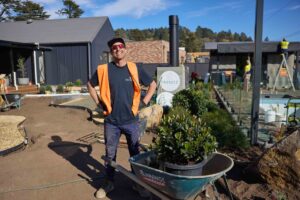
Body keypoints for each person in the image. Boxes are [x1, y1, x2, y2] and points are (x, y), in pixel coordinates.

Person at [87, 37, 157, 199]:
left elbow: (152, 84)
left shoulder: (134, 68)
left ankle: (137, 183)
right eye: (114, 48)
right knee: (110, 154)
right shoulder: (103, 69)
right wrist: (98, 103)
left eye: (120, 47)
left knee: (135, 153)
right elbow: (90, 85)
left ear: (125, 49)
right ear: (111, 52)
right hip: (111, 121)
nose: (118, 50)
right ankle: (109, 182)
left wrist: (145, 101)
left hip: (132, 121)